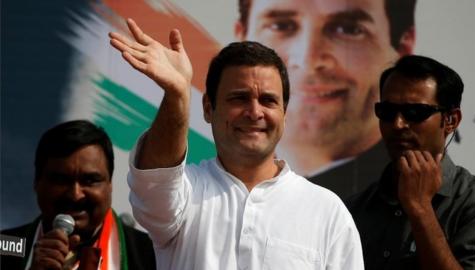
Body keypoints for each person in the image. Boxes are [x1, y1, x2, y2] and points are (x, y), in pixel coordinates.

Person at [109, 18, 363, 270]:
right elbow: (156, 180)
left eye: (267, 100)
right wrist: (177, 95)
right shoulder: (185, 194)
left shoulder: (327, 212)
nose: (254, 112)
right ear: (209, 108)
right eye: (239, 98)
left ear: (284, 114)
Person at [235, 0, 416, 198]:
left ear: (402, 49)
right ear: (241, 41)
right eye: (281, 26)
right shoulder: (210, 191)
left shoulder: (414, 196)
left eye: (348, 29)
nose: (308, 59)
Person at [346, 55, 475, 269]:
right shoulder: (353, 209)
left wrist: (420, 209)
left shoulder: (472, 203)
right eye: (387, 112)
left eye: (415, 112)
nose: (398, 124)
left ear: (451, 120)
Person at [0, 120, 156, 269]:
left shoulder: (150, 256)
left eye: (90, 181)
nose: (75, 195)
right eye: (61, 180)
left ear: (110, 185)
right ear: (37, 182)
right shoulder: (6, 246)